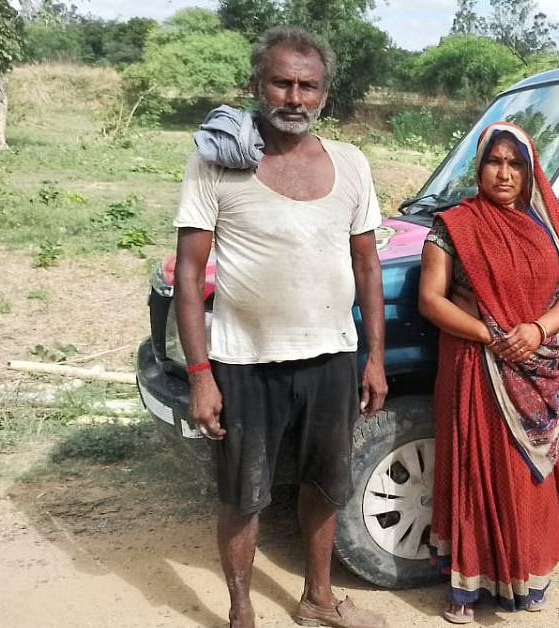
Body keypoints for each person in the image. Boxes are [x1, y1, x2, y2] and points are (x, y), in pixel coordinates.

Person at [173, 28, 387, 628]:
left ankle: (317, 599)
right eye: (282, 82)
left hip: (332, 359)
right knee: (244, 495)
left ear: (325, 94)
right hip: (244, 362)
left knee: (326, 483)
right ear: (257, 85)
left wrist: (373, 357)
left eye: (308, 86)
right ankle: (242, 611)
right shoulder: (219, 159)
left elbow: (367, 264)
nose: (294, 97)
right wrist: (199, 375)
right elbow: (190, 276)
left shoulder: (351, 164)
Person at [418, 122, 559, 624]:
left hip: (535, 368)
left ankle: (524, 575)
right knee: (475, 469)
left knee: (523, 476)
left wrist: (537, 331)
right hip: (476, 365)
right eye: (494, 161)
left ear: (530, 169)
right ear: (479, 166)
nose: (504, 172)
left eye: (515, 163)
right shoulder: (454, 225)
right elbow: (431, 299)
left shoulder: (547, 228)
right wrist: (489, 334)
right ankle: (466, 585)